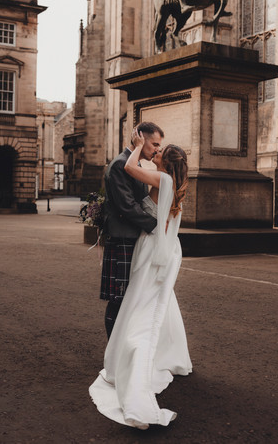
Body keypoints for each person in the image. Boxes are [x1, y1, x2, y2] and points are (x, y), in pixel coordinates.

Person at [89, 130, 192, 430]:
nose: (155, 152)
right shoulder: (168, 179)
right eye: (155, 145)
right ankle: (169, 354)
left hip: (152, 245)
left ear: (167, 163)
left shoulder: (164, 180)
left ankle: (135, 359)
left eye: (160, 151)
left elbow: (131, 168)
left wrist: (135, 147)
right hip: (159, 246)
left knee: (143, 304)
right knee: (159, 302)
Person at [101, 122, 164, 339]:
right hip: (122, 240)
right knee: (118, 297)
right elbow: (127, 206)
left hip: (131, 238)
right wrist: (155, 227)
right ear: (140, 139)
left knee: (129, 297)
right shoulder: (120, 164)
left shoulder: (133, 164)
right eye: (154, 144)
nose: (157, 149)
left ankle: (122, 349)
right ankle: (113, 352)